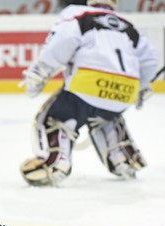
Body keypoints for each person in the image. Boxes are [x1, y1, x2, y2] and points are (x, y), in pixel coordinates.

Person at [19, 0, 159, 186]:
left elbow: (62, 42)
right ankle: (122, 157)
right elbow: (150, 60)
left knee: (55, 118)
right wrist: (140, 86)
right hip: (126, 90)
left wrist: (40, 71)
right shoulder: (128, 25)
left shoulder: (78, 13)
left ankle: (55, 162)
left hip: (88, 83)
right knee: (107, 117)